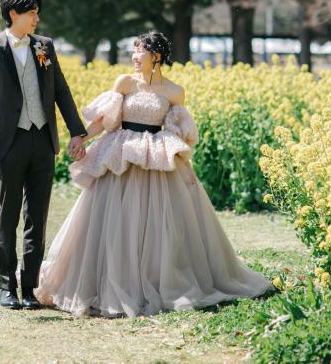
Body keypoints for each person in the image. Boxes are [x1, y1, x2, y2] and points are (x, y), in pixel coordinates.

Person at [35, 31, 273, 317]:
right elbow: (105, 122)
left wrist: (186, 165)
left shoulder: (174, 91)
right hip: (120, 156)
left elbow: (176, 134)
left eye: (141, 52)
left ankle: (155, 280)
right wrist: (80, 139)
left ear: (156, 56)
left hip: (155, 158)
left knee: (154, 224)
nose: (135, 57)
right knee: (114, 222)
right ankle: (109, 281)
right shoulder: (124, 82)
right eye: (133, 51)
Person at [0, 0, 88, 310]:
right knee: (9, 216)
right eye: (32, 12)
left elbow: (61, 91)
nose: (37, 18)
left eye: (38, 12)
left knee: (37, 218)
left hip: (43, 141)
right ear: (13, 14)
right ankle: (7, 287)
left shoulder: (45, 47)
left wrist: (76, 132)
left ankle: (29, 287)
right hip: (9, 143)